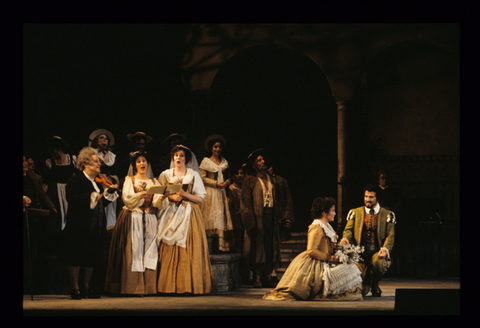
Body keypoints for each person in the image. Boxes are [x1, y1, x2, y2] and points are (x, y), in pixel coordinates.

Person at [263, 197, 362, 301]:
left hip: (326, 260)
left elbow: (328, 245)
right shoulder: (317, 227)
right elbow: (311, 250)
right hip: (317, 263)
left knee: (351, 266)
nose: (335, 213)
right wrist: (330, 258)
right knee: (350, 269)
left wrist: (342, 247)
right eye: (332, 211)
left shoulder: (326, 226)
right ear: (324, 212)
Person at [104, 151, 169, 295]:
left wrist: (163, 197)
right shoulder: (130, 180)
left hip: (150, 217)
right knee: (135, 249)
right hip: (134, 216)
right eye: (139, 162)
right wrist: (139, 195)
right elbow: (127, 199)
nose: (142, 164)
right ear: (134, 165)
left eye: (144, 161)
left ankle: (149, 287)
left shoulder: (154, 181)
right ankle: (134, 287)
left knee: (150, 250)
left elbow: (157, 202)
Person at [59, 147, 120, 299]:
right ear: (85, 163)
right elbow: (72, 198)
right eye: (95, 162)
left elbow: (101, 204)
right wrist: (91, 196)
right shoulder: (76, 179)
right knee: (76, 256)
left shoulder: (97, 183)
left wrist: (109, 193)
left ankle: (86, 287)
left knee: (91, 256)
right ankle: (75, 288)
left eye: (99, 162)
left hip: (96, 225)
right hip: (79, 225)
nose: (99, 164)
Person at [156, 145, 213, 294]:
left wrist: (183, 194)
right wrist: (170, 195)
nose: (178, 158)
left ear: (186, 159)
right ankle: (167, 286)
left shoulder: (193, 174)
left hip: (189, 213)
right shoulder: (166, 175)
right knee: (168, 246)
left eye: (181, 156)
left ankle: (187, 285)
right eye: (176, 155)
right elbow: (157, 192)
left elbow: (200, 199)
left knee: (188, 246)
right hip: (170, 212)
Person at [340, 184, 396, 297]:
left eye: (371, 197)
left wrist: (385, 249)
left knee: (379, 263)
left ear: (377, 198)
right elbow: (348, 230)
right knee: (363, 292)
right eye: (366, 196)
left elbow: (390, 235)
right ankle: (366, 283)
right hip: (360, 252)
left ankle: (375, 284)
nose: (367, 199)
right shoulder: (355, 212)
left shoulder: (387, 214)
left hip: (376, 251)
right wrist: (345, 238)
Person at [240, 148, 283, 288]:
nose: (263, 161)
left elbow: (277, 200)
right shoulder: (250, 180)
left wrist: (278, 216)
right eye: (259, 160)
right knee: (257, 247)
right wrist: (250, 222)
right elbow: (245, 203)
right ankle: (256, 276)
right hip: (257, 217)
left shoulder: (271, 179)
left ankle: (267, 275)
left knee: (270, 245)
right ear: (254, 165)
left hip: (270, 216)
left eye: (263, 159)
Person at [23, 155, 58, 294]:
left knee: (31, 252)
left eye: (25, 160)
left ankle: (29, 284)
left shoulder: (32, 177)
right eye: (23, 161)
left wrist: (51, 207)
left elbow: (41, 194)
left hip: (31, 220)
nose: (25, 163)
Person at [199, 134, 234, 252]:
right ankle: (210, 246)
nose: (217, 149)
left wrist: (226, 183)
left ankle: (221, 245)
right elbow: (202, 178)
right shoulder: (206, 162)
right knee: (211, 217)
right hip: (210, 193)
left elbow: (229, 177)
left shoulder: (224, 162)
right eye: (215, 147)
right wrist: (215, 183)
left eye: (219, 147)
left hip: (222, 193)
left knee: (221, 217)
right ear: (211, 148)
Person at [44, 136, 77, 231]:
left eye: (53, 151)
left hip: (69, 189)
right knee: (58, 215)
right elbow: (49, 179)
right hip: (56, 191)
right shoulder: (50, 162)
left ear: (59, 148)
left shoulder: (72, 159)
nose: (52, 153)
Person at [88, 129, 119, 230]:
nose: (104, 140)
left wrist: (113, 179)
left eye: (106, 139)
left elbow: (116, 172)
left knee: (110, 207)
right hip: (97, 183)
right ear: (96, 140)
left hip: (108, 184)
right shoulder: (93, 154)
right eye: (101, 138)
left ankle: (110, 227)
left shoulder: (112, 156)